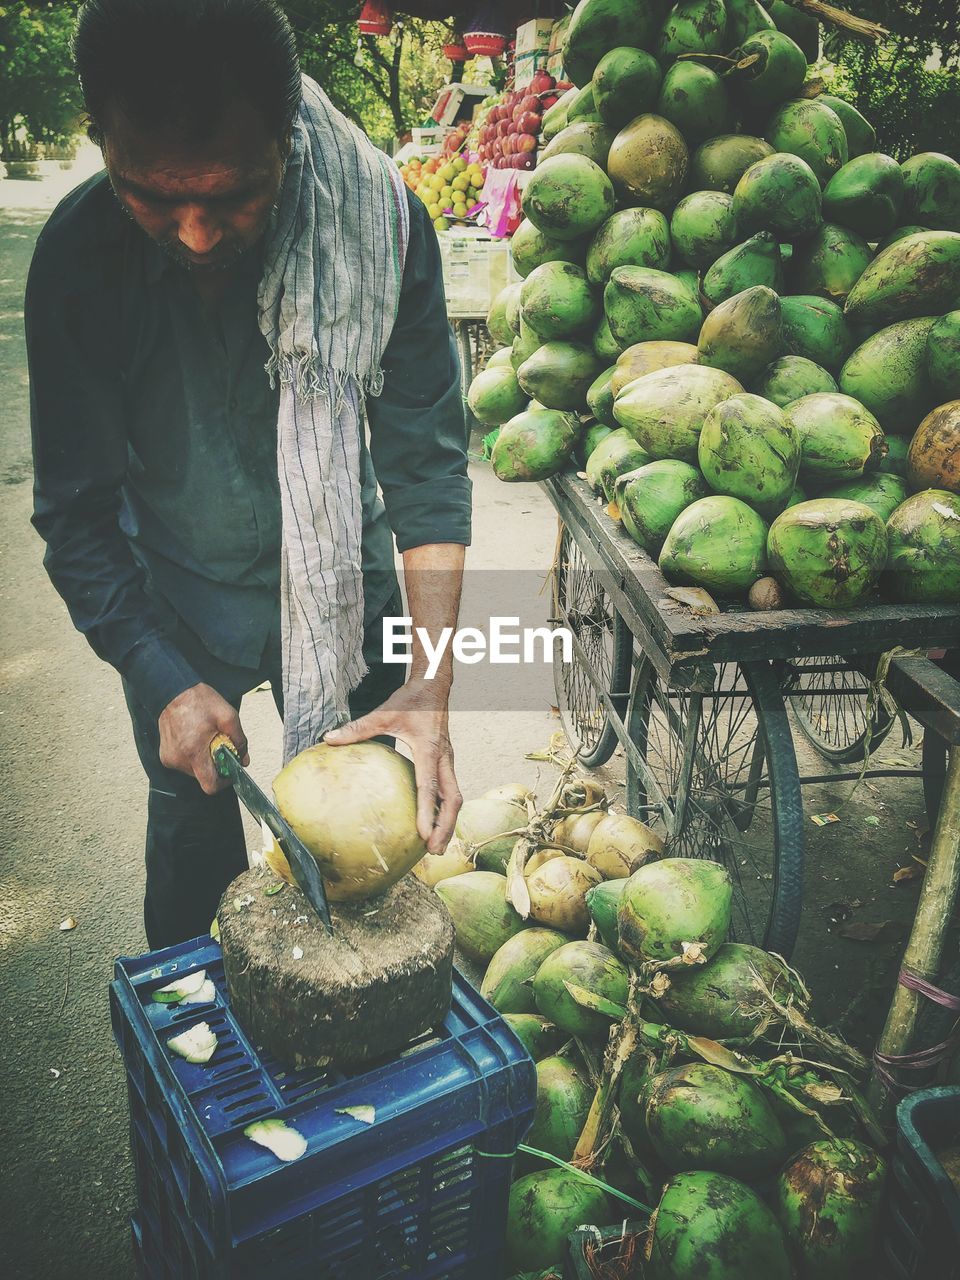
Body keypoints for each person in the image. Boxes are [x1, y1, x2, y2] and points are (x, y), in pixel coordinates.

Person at [25, 0, 471, 947]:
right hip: (174, 607)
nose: (193, 234)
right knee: (194, 879)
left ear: (287, 138)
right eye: (151, 193)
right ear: (102, 141)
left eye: (232, 196)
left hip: (348, 585)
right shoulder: (77, 259)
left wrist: (428, 695)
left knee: (383, 872)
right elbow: (75, 516)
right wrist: (161, 677)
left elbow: (427, 473)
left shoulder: (380, 228)